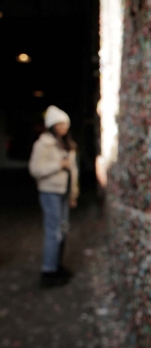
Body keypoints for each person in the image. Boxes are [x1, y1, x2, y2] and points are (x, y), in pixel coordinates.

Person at [29, 105, 79, 287]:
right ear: (52, 125)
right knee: (54, 231)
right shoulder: (43, 145)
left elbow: (73, 171)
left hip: (64, 192)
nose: (64, 127)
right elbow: (35, 170)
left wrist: (73, 193)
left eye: (66, 124)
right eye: (61, 124)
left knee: (63, 230)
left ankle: (57, 265)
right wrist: (58, 165)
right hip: (50, 192)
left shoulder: (68, 144)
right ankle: (48, 270)